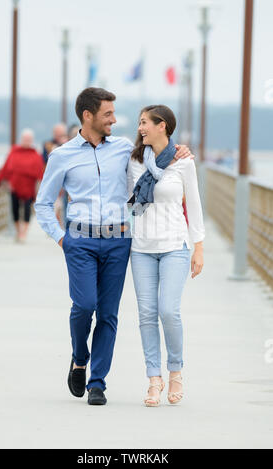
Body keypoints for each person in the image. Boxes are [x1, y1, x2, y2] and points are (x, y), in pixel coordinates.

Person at [34, 88, 193, 406]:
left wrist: (178, 151)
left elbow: (156, 156)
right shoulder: (62, 155)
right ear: (88, 116)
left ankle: (97, 382)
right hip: (79, 240)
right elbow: (42, 203)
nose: (115, 120)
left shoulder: (123, 149)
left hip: (119, 241)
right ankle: (80, 358)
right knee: (84, 305)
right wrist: (62, 238)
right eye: (108, 114)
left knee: (108, 314)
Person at [127, 105, 205, 407]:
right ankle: (154, 379)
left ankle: (175, 371)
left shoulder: (183, 162)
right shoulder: (134, 161)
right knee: (147, 314)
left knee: (168, 311)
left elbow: (195, 205)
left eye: (145, 122)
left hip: (175, 245)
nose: (140, 128)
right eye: (139, 123)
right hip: (142, 248)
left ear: (163, 126)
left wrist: (198, 246)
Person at [0, 129, 44, 243]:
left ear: (32, 140)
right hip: (14, 186)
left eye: (29, 139)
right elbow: (6, 169)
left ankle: (24, 233)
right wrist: (0, 182)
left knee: (26, 210)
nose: (27, 141)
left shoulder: (35, 154)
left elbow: (41, 173)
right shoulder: (14, 152)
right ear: (21, 140)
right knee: (14, 209)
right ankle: (18, 231)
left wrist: (41, 188)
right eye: (25, 139)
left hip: (29, 187)